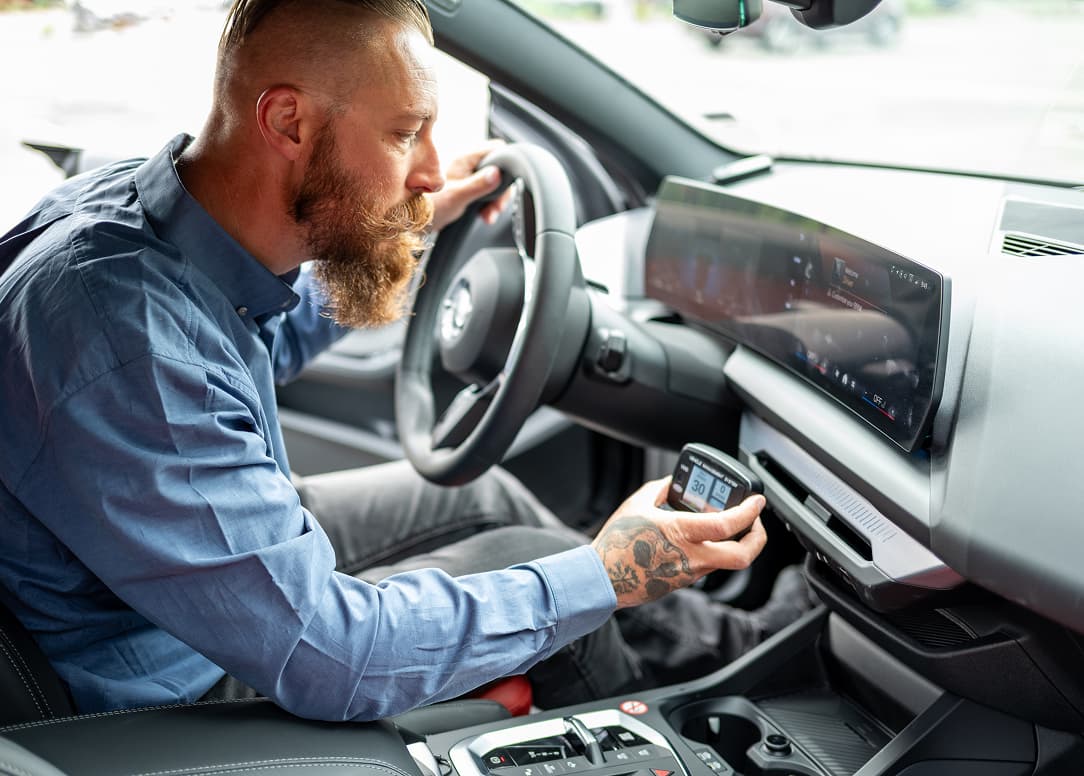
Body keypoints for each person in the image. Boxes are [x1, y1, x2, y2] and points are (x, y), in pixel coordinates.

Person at [0, 0, 810, 722]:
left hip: (145, 580)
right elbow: (332, 659)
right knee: (543, 566)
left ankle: (739, 644)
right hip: (163, 687)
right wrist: (612, 574)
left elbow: (255, 337)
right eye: (403, 133)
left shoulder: (131, 221)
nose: (428, 170)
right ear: (286, 123)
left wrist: (405, 224)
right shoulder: (120, 342)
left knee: (477, 489)